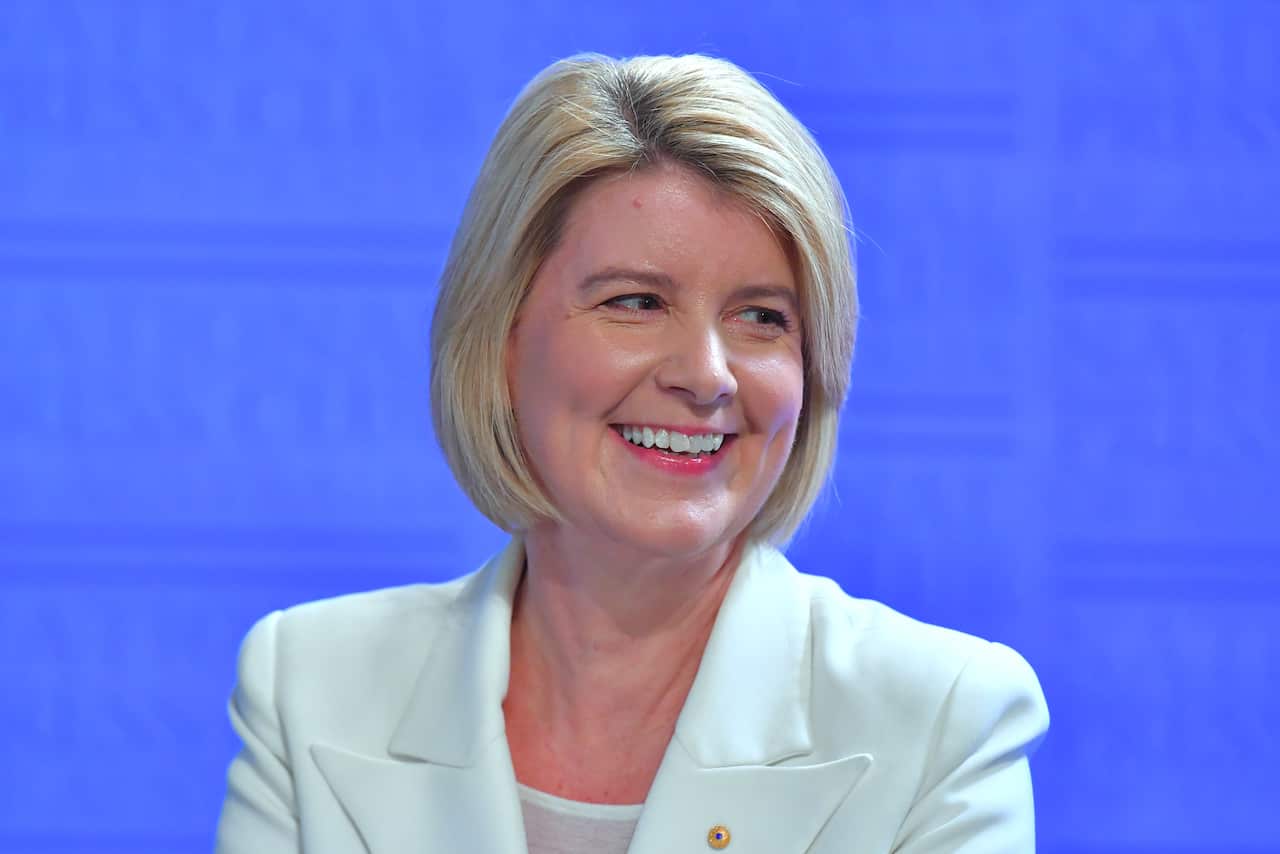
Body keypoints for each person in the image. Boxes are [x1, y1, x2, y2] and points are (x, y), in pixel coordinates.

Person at [214, 53, 1049, 853]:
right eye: (637, 301)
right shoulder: (310, 687)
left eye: (762, 317)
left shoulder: (943, 721)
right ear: (501, 336)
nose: (706, 375)